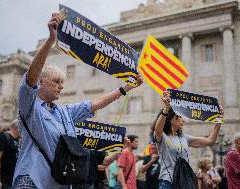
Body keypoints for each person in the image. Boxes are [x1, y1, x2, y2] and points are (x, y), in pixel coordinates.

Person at [13, 13, 143, 189]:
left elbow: (95, 103)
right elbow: (30, 78)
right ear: (41, 83)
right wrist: (51, 40)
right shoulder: (30, 106)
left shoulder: (64, 112)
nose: (61, 87)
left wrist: (125, 88)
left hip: (59, 183)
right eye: (56, 82)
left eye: (62, 83)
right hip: (31, 181)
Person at [154, 91, 223, 189]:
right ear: (171, 119)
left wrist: (218, 119)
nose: (183, 120)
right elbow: (157, 130)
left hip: (184, 182)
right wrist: (167, 108)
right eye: (180, 117)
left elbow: (210, 140)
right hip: (168, 182)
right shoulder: (162, 136)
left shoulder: (185, 137)